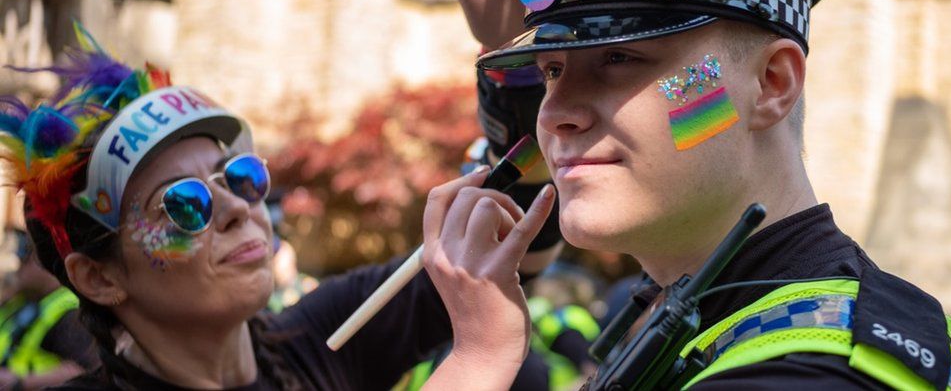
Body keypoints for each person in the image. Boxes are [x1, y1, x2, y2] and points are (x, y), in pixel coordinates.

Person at [424, 0, 951, 390]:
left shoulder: (810, 374)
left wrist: (478, 361)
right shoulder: (704, 312)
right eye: (550, 71)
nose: (556, 112)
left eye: (619, 59)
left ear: (771, 84)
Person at [0, 24, 558, 390]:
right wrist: (480, 360)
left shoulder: (315, 340)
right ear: (97, 277)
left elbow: (510, 251)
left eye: (239, 177)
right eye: (183, 204)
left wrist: (518, 75)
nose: (240, 209)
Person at [0, 230, 97, 390]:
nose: (16, 268)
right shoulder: (19, 302)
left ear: (43, 262)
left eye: (23, 259)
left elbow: (84, 372)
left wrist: (19, 383)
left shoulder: (69, 311)